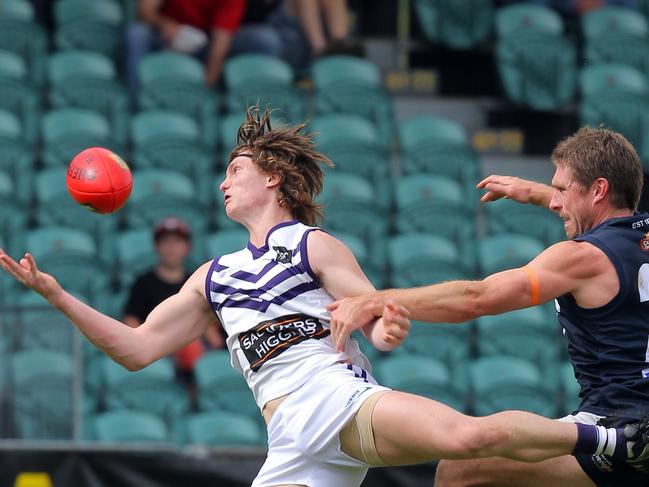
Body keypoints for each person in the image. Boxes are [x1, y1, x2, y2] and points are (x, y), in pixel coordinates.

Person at [0, 113, 648, 487]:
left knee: (465, 439)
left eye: (236, 169)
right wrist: (59, 295)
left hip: (336, 398)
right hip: (288, 438)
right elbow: (135, 349)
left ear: (271, 179)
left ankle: (602, 436)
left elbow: (378, 314)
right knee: (459, 469)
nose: (223, 180)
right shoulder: (210, 276)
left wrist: (389, 326)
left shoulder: (312, 245)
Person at [328, 126, 649, 487]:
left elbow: (476, 299)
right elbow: (606, 216)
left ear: (599, 189)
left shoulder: (581, 259)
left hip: (621, 436)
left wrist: (376, 299)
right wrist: (535, 194)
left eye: (561, 189)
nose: (555, 201)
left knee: (459, 470)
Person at [123, 217, 225, 387]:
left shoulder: (195, 280)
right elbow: (131, 321)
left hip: (192, 346)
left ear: (187, 247)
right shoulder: (143, 282)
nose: (171, 247)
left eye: (177, 241)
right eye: (165, 242)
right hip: (157, 348)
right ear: (156, 246)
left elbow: (211, 332)